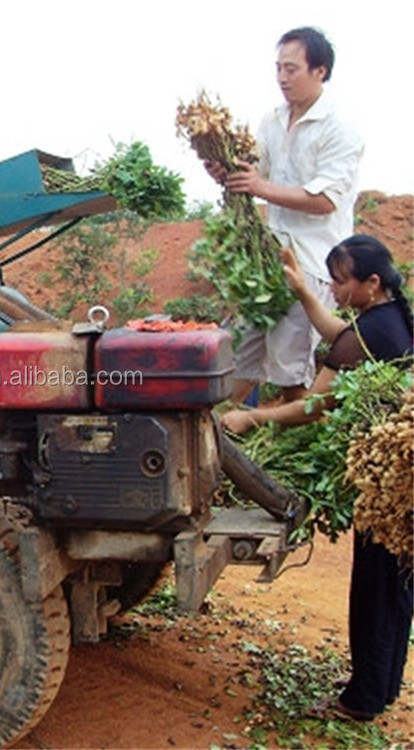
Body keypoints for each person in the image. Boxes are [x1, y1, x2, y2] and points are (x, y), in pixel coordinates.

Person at [221, 234, 414, 722]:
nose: (334, 289)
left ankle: (360, 701)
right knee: (395, 586)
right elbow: (337, 335)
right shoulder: (385, 319)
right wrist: (303, 289)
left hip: (389, 486)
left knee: (376, 589)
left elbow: (314, 407)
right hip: (398, 482)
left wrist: (252, 419)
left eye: (340, 281)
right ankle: (380, 687)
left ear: (372, 283)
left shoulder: (371, 332)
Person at [206, 26, 364, 405]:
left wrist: (258, 186)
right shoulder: (273, 120)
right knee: (239, 361)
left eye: (291, 69)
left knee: (289, 370)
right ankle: (225, 449)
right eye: (278, 68)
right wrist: (227, 173)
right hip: (268, 262)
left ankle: (282, 456)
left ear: (320, 71)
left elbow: (325, 199)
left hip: (310, 263)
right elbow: (254, 171)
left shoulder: (339, 129)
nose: (281, 78)